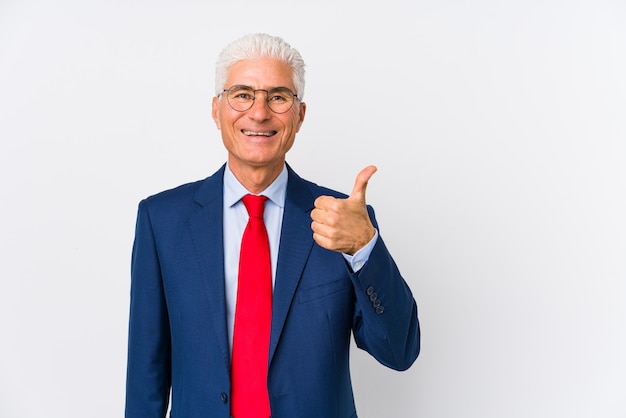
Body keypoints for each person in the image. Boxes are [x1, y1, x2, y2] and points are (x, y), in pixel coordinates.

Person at [125, 33, 420, 418]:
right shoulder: (162, 220)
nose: (259, 113)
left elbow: (399, 352)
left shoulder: (343, 221)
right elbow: (146, 373)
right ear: (216, 110)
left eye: (278, 96)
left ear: (299, 115)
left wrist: (365, 248)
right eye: (242, 94)